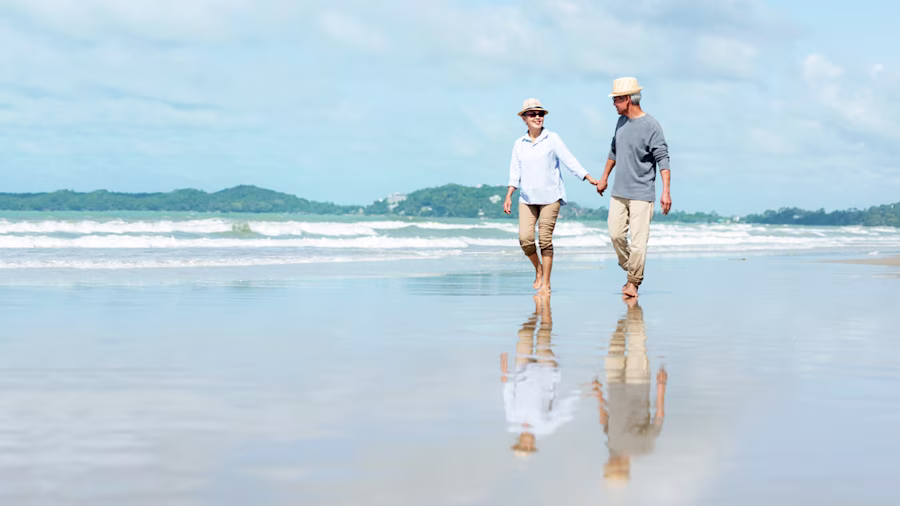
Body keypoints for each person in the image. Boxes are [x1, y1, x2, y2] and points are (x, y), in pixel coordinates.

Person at [504, 98, 601, 294]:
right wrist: (509, 195)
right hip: (527, 199)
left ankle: (546, 282)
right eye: (532, 114)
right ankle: (538, 269)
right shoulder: (519, 144)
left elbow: (569, 160)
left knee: (545, 240)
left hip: (551, 197)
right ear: (524, 118)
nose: (537, 117)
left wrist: (588, 177)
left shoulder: (552, 138)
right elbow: (515, 171)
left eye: (540, 114)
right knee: (525, 239)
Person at [595, 78, 672, 298]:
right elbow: (613, 151)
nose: (614, 104)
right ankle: (632, 270)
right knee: (616, 235)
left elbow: (663, 160)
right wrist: (604, 178)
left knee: (638, 244)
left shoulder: (651, 126)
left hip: (642, 194)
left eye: (616, 99)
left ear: (628, 99)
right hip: (619, 192)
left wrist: (666, 191)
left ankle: (633, 283)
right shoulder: (620, 122)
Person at [590, 297, 667, 485]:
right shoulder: (644, 447)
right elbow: (658, 418)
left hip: (614, 385)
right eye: (610, 467)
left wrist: (598, 394)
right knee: (637, 345)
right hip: (637, 384)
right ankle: (634, 310)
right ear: (620, 468)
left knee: (614, 345)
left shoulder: (611, 447)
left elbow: (605, 421)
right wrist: (661, 386)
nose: (607, 463)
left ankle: (626, 316)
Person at [500, 294, 578, 458]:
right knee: (543, 338)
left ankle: (537, 310)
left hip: (523, 370)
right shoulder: (545, 427)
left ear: (519, 441)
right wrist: (579, 392)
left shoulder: (513, 419)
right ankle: (545, 308)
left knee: (524, 333)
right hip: (547, 372)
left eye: (523, 446)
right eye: (528, 448)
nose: (527, 445)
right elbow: (564, 411)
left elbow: (507, 391)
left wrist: (504, 368)